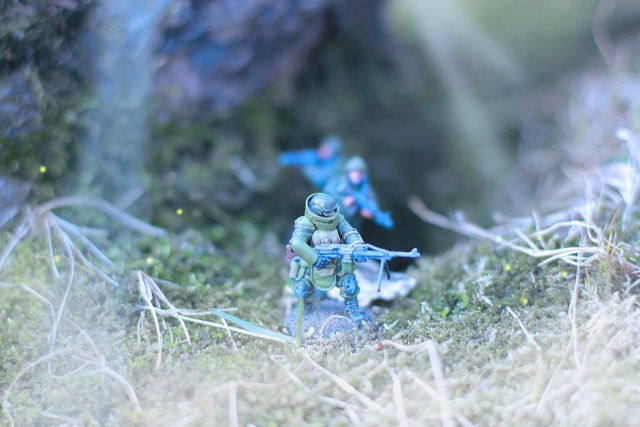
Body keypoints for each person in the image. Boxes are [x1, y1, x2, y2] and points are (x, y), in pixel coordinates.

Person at [288, 193, 366, 320]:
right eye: (327, 213)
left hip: (337, 262)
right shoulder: (305, 223)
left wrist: (357, 246)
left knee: (349, 285)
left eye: (332, 211)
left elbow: (349, 232)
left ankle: (352, 309)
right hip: (310, 264)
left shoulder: (339, 219)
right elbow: (296, 243)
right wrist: (315, 259)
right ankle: (302, 308)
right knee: (302, 289)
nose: (331, 215)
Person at [324, 156, 394, 229]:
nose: (356, 175)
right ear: (348, 173)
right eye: (353, 172)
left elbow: (372, 204)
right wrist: (342, 200)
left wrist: (362, 212)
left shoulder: (366, 189)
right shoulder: (339, 181)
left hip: (350, 224)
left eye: (359, 173)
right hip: (332, 219)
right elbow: (327, 192)